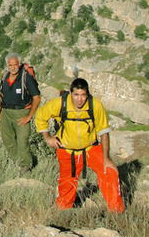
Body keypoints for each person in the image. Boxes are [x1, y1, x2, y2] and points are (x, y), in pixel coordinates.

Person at [35, 78, 124, 213]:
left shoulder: (95, 105)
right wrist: (47, 138)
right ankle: (64, 212)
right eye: (76, 95)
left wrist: (106, 158)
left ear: (87, 94)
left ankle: (116, 211)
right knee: (67, 183)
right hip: (67, 150)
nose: (79, 99)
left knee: (109, 172)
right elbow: (40, 116)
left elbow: (104, 132)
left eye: (83, 95)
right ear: (70, 93)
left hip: (91, 148)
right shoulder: (60, 103)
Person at [0, 52, 41, 172]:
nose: (13, 68)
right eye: (10, 65)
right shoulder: (5, 76)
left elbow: (36, 97)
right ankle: (18, 162)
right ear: (7, 65)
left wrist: (29, 116)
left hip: (21, 113)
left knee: (22, 141)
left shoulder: (26, 77)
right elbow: (1, 95)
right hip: (6, 112)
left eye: (15, 65)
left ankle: (27, 165)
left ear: (20, 64)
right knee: (8, 140)